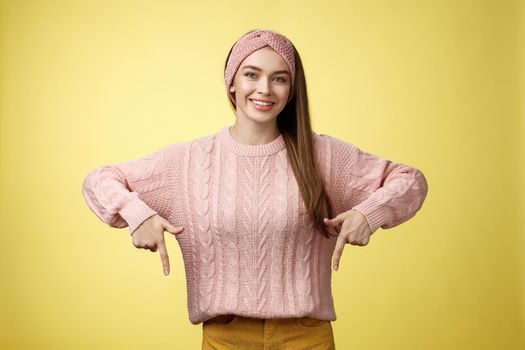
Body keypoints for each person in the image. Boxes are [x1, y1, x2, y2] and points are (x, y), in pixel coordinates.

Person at [81, 28, 429, 350]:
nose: (265, 88)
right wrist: (137, 214)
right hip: (224, 337)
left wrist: (369, 214)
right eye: (252, 74)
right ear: (231, 82)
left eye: (279, 79)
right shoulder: (188, 162)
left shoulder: (322, 156)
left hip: (306, 337)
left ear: (291, 91)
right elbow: (99, 179)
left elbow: (410, 181)